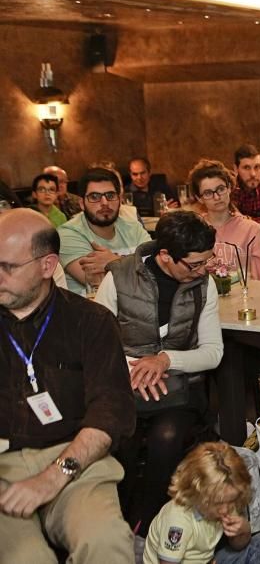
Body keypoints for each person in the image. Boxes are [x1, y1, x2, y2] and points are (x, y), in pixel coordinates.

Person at [0, 208, 136, 563]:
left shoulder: (90, 322)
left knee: (106, 542)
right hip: (3, 464)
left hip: (76, 460)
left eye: (8, 267)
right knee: (26, 559)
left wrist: (53, 476)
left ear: (47, 266)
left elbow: (110, 412)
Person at [95, 211, 222, 536]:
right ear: (165, 256)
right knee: (121, 440)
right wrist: (138, 370)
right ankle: (112, 523)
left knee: (165, 439)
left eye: (206, 261)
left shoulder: (204, 285)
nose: (203, 270)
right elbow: (97, 345)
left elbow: (213, 352)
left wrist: (165, 360)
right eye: (194, 264)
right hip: (124, 384)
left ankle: (143, 525)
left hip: (180, 388)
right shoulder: (118, 278)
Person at [144, 442, 260, 564]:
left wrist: (242, 532)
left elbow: (238, 546)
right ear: (199, 493)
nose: (225, 509)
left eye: (231, 501)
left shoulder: (226, 499)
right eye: (218, 503)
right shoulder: (178, 520)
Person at [58, 167, 152, 295]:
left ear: (119, 199)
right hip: (91, 311)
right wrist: (134, 264)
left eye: (110, 195)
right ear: (81, 203)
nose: (104, 203)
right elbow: (100, 283)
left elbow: (155, 273)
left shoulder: (134, 227)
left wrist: (114, 261)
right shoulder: (68, 234)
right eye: (94, 196)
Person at [190, 159, 260, 281]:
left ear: (230, 188)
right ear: (199, 198)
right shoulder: (192, 229)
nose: (217, 197)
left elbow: (259, 279)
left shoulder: (252, 230)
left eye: (220, 189)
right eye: (208, 193)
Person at [231, 144, 260, 224]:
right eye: (246, 168)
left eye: (257, 167)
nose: (253, 174)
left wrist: (247, 220)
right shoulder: (230, 188)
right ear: (236, 169)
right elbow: (235, 221)